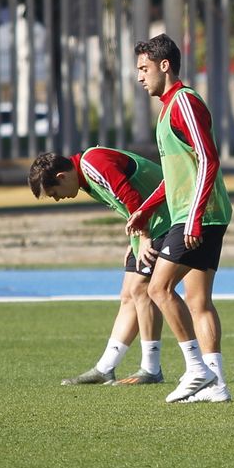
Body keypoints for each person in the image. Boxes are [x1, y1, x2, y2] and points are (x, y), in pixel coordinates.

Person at [126, 34, 232, 405]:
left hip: (197, 215)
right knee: (198, 301)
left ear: (164, 65)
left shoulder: (184, 102)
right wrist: (147, 207)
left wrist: (194, 219)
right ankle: (217, 385)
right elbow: (176, 175)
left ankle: (196, 369)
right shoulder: (168, 107)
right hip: (197, 213)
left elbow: (207, 159)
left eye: (143, 68)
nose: (139, 76)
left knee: (157, 288)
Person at [29, 148, 169, 386]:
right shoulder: (84, 179)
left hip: (166, 218)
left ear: (62, 177)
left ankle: (151, 368)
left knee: (140, 289)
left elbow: (130, 196)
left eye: (54, 193)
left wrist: (143, 237)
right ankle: (105, 368)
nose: (57, 198)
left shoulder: (93, 163)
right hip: (149, 223)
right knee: (128, 295)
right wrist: (134, 239)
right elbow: (127, 204)